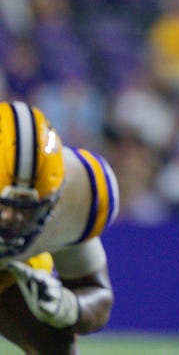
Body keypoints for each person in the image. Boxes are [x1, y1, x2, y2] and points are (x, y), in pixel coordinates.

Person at [0, 100, 119, 354]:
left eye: (29, 212)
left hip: (10, 268)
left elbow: (98, 295)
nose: (13, 221)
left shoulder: (78, 192)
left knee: (55, 344)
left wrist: (66, 307)